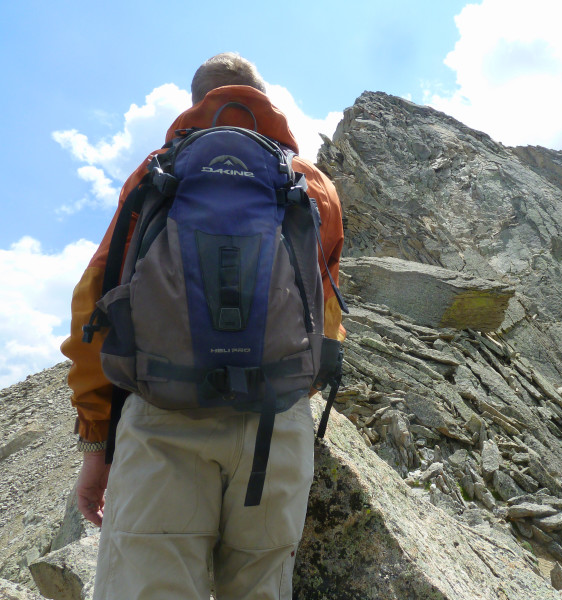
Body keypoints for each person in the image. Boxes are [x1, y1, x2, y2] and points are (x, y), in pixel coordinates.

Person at [61, 52, 346, 600]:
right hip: (273, 428)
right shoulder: (311, 187)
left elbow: (93, 306)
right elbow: (326, 320)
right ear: (265, 99)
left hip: (165, 418)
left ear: (198, 105)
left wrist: (97, 443)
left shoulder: (157, 173)